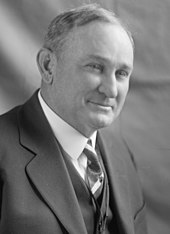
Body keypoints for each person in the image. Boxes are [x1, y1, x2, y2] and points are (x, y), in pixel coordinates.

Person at [0, 4, 147, 234]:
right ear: (48, 66)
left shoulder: (120, 152)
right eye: (96, 67)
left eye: (121, 74)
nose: (111, 91)